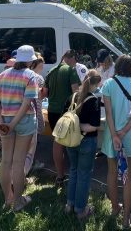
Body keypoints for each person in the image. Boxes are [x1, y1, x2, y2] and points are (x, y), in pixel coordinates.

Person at [0, 45, 39, 212]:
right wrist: (12, 125)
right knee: (18, 163)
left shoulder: (3, 75)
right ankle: (18, 202)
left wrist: (2, 123)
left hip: (5, 121)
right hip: (24, 122)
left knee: (6, 161)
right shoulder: (31, 76)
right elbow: (26, 104)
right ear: (30, 61)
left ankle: (8, 199)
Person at [101, 55, 131, 228]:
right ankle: (126, 217)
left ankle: (114, 208)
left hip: (111, 134)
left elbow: (108, 113)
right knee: (128, 175)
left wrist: (115, 135)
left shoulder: (108, 84)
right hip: (129, 134)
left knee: (111, 172)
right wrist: (124, 132)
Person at [65, 70, 101, 220]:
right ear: (96, 84)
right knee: (84, 174)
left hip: (70, 140)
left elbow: (65, 116)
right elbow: (94, 126)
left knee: (73, 170)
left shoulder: (72, 96)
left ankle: (70, 205)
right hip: (87, 141)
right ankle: (80, 210)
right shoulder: (93, 100)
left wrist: (75, 126)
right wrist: (81, 127)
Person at [45, 54, 80, 186]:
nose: (76, 63)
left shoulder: (51, 71)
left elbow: (45, 92)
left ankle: (60, 175)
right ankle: (65, 175)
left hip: (51, 111)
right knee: (69, 142)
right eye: (75, 60)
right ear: (70, 58)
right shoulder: (70, 70)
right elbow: (76, 92)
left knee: (57, 141)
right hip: (65, 112)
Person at [24, 53, 45, 175]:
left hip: (24, 111)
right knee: (33, 141)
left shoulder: (25, 75)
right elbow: (41, 96)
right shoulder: (39, 78)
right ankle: (30, 165)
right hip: (35, 110)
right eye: (42, 64)